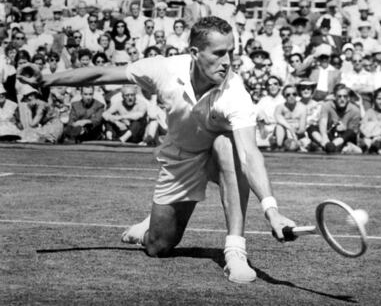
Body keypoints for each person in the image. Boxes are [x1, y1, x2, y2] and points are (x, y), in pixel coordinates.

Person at [18, 16, 296, 284]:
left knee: (228, 145)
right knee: (158, 247)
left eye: (231, 53)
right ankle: (151, 226)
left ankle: (235, 249)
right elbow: (104, 73)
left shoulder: (235, 92)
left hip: (216, 156)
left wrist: (271, 210)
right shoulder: (163, 69)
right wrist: (46, 80)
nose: (227, 62)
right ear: (195, 53)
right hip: (181, 160)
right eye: (219, 53)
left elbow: (249, 154)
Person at [319, 83, 361, 154]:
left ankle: (332, 145)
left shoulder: (355, 110)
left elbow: (353, 132)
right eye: (339, 96)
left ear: (348, 98)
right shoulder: (327, 106)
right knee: (312, 128)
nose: (342, 99)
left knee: (349, 132)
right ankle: (326, 144)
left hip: (346, 138)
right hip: (329, 136)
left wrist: (344, 128)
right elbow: (323, 122)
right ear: (334, 97)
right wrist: (324, 136)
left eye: (345, 96)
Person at [273, 84, 307, 151]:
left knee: (294, 145)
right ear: (284, 96)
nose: (291, 96)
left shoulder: (302, 108)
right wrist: (290, 128)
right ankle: (279, 146)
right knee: (279, 126)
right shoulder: (280, 107)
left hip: (297, 134)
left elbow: (302, 128)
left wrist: (295, 133)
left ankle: (292, 145)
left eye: (294, 94)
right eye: (288, 95)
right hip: (283, 133)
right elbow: (278, 118)